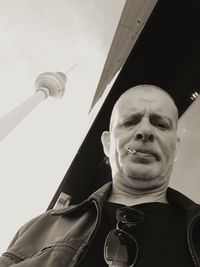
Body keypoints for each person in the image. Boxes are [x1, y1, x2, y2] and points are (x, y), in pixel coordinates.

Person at [0, 84, 200, 267]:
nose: (145, 130)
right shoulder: (38, 228)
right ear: (107, 143)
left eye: (161, 125)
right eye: (130, 122)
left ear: (176, 148)